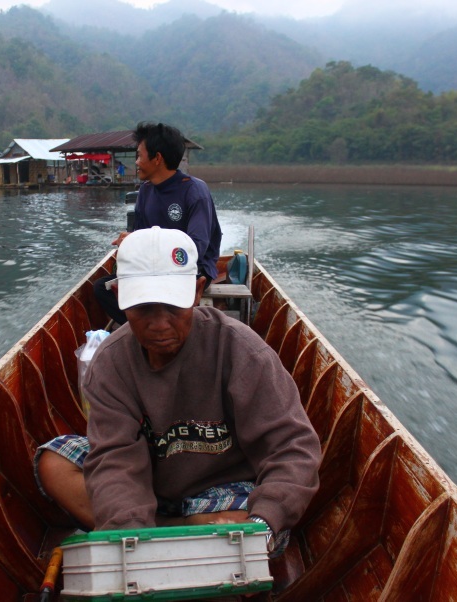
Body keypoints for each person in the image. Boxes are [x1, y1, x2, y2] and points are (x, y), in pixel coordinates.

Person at [36, 227, 322, 556]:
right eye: (143, 308)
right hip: (149, 485)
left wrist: (264, 521)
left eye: (173, 307)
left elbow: (292, 448)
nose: (159, 324)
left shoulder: (240, 350)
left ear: (197, 291)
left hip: (220, 491)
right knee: (53, 462)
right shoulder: (112, 363)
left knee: (241, 525)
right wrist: (129, 535)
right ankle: (174, 536)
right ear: (118, 299)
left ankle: (170, 533)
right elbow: (115, 459)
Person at [93, 122, 222, 325]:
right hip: (152, 267)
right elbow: (140, 236)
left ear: (157, 158)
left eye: (139, 156)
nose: (136, 162)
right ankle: (141, 331)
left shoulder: (195, 191)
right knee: (102, 288)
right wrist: (130, 242)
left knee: (161, 294)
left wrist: (138, 240)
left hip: (190, 269)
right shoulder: (145, 191)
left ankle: (153, 328)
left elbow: (196, 247)